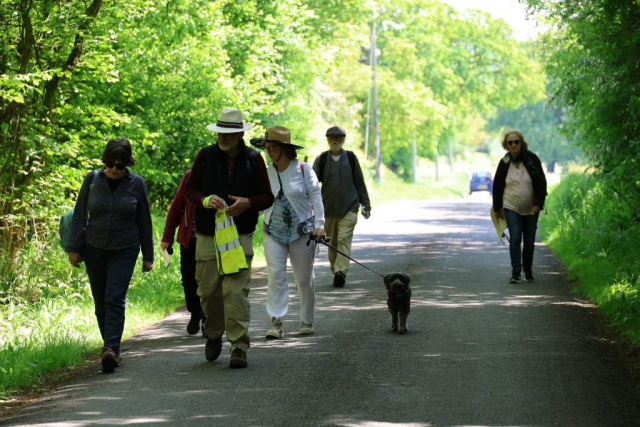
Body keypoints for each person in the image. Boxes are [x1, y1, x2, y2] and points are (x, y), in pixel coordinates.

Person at [184, 108, 274, 369]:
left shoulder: (254, 159)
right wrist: (204, 200)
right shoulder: (204, 156)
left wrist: (248, 203)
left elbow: (267, 196)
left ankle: (239, 346)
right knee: (208, 292)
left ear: (241, 134)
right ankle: (213, 335)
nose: (224, 137)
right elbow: (190, 189)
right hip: (208, 235)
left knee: (236, 293)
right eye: (221, 132)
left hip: (240, 235)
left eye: (230, 133)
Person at [66, 138, 154, 373]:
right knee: (101, 300)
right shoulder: (93, 180)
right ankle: (110, 347)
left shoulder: (137, 184)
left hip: (125, 249)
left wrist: (148, 255)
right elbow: (79, 214)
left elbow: (144, 220)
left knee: (115, 297)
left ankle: (111, 348)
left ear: (128, 164)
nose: (114, 170)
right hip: (93, 247)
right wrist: (73, 247)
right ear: (104, 161)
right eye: (110, 164)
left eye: (120, 166)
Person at [250, 126, 326, 339]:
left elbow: (316, 198)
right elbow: (262, 202)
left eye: (272, 147)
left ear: (284, 147)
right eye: (266, 148)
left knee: (303, 279)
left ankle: (306, 320)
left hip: (302, 231)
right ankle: (276, 322)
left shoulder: (303, 169)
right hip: (272, 230)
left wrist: (319, 225)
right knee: (275, 275)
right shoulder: (267, 172)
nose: (269, 152)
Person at [312, 126, 371, 288]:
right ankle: (336, 270)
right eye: (331, 137)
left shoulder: (351, 158)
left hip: (349, 208)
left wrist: (366, 204)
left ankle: (341, 271)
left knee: (343, 239)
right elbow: (312, 183)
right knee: (332, 243)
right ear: (327, 139)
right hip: (328, 209)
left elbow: (360, 182)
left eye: (338, 137)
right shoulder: (322, 159)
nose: (335, 140)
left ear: (343, 140)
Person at [492, 130, 547, 284]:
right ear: (506, 145)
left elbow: (541, 183)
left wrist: (538, 204)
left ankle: (527, 270)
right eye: (510, 142)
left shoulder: (532, 159)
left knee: (529, 241)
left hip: (531, 207)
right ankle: (516, 273)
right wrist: (497, 209)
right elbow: (497, 187)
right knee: (515, 237)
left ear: (521, 143)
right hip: (511, 206)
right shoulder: (504, 163)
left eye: (516, 142)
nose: (514, 145)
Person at [160, 170, 205, 336]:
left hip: (213, 241)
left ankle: (209, 317)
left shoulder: (222, 177)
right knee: (189, 280)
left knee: (210, 282)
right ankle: (195, 312)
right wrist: (167, 236)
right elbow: (177, 206)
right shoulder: (190, 176)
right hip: (190, 241)